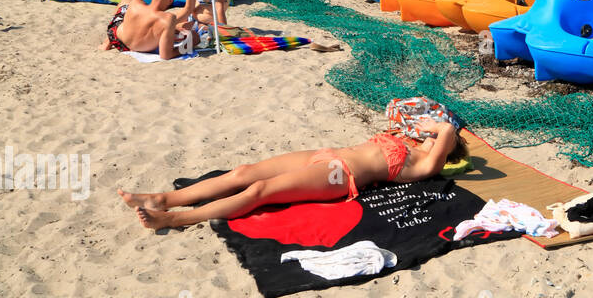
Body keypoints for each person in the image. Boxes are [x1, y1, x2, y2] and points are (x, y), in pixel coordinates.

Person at [118, 115, 468, 230]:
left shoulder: (427, 164)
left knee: (260, 192)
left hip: (339, 175)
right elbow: (436, 129)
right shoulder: (410, 143)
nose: (433, 137)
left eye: (439, 140)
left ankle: (175, 219)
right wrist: (426, 129)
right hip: (327, 155)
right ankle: (163, 198)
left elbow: (448, 130)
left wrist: (439, 131)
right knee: (245, 172)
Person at [99, 0, 187, 59]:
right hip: (136, 49)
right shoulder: (168, 19)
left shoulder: (136, 2)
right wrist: (186, 47)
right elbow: (165, 56)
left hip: (116, 38)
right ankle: (108, 41)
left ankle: (108, 41)